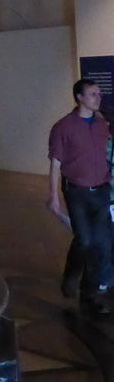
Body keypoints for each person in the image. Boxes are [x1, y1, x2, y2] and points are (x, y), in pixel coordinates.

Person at [48, 79, 113, 317]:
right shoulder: (63, 127)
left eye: (99, 94)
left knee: (100, 245)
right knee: (84, 241)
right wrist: (54, 195)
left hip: (102, 190)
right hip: (76, 191)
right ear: (80, 98)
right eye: (93, 94)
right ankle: (72, 273)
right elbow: (55, 163)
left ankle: (90, 296)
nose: (99, 98)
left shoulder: (102, 124)